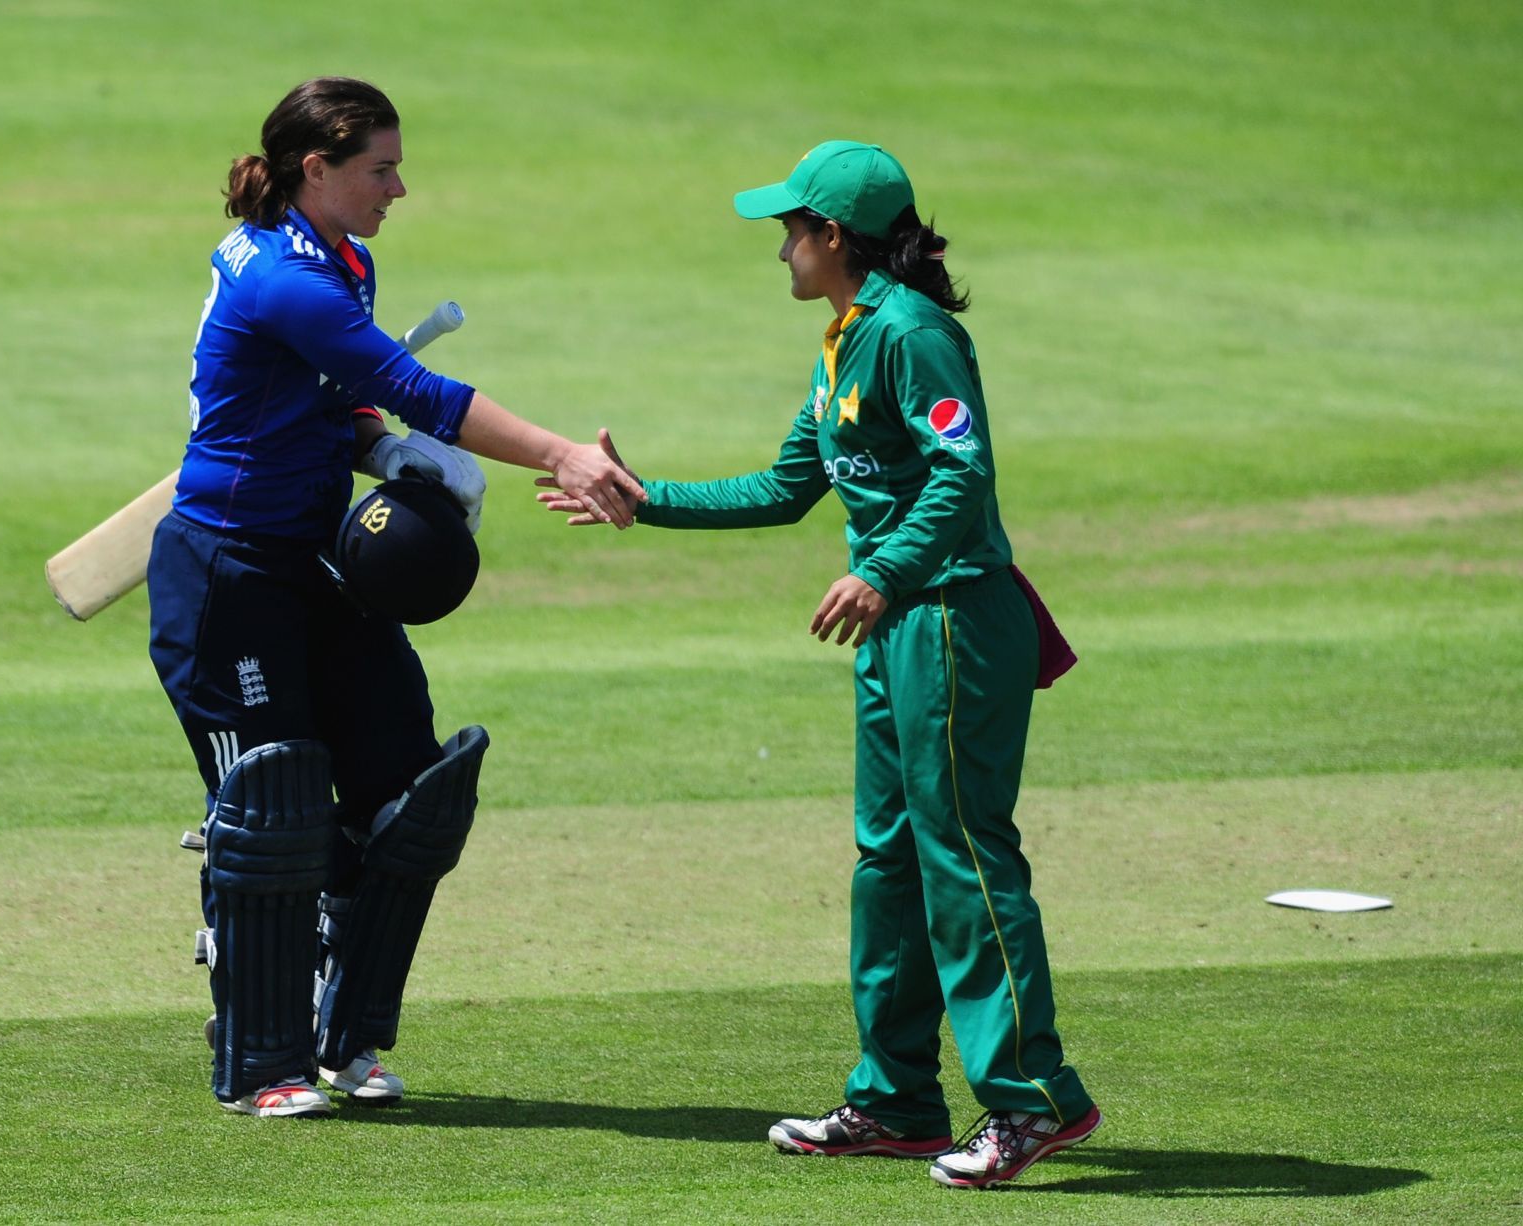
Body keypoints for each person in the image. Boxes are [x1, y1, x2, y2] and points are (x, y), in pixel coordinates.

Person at [540, 141, 1098, 1188]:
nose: (782, 249)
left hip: (950, 618)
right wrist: (640, 495)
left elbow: (961, 474)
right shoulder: (843, 340)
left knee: (965, 856)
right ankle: (896, 1096)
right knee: (886, 860)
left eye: (790, 230)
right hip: (899, 630)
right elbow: (786, 486)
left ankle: (1034, 1101)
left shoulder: (913, 333)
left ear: (834, 236)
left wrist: (882, 570)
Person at [151, 76, 645, 1119]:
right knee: (273, 806)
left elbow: (347, 396)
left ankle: (350, 1036)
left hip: (315, 556)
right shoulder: (284, 279)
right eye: (380, 167)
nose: (400, 186)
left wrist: (381, 447)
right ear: (314, 169)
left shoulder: (344, 257)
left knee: (408, 790)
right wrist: (554, 452)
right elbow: (415, 383)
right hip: (226, 574)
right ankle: (260, 1061)